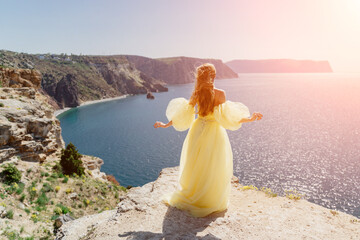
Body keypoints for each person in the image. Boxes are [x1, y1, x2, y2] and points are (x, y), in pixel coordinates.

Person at [153, 63, 263, 217]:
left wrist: (166, 124)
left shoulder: (196, 93)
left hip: (197, 130)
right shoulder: (220, 94)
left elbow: (182, 114)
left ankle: (194, 194)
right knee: (213, 166)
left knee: (196, 164)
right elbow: (229, 117)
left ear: (199, 77)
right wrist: (251, 118)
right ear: (214, 76)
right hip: (214, 132)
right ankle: (208, 199)